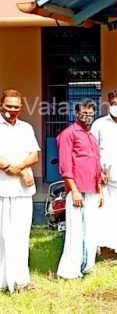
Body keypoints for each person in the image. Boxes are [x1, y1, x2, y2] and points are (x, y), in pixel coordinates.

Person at [57, 98, 104, 279]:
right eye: (84, 113)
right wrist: (74, 190)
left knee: (90, 229)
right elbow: (65, 166)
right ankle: (70, 270)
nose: (87, 117)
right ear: (76, 113)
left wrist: (99, 190)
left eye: (91, 114)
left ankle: (87, 265)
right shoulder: (69, 134)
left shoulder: (90, 136)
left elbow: (96, 165)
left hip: (92, 189)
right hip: (77, 190)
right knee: (75, 230)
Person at [0, 89, 40, 292]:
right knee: (3, 235)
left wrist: (21, 168)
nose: (12, 111)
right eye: (9, 106)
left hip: (23, 192)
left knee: (20, 234)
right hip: (2, 190)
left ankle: (20, 280)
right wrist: (14, 169)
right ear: (1, 105)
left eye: (16, 107)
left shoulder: (26, 128)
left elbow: (34, 155)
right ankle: (3, 280)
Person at [91, 89, 117, 263]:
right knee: (102, 211)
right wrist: (98, 171)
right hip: (103, 176)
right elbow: (93, 150)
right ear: (109, 104)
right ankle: (103, 245)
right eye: (114, 104)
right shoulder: (99, 124)